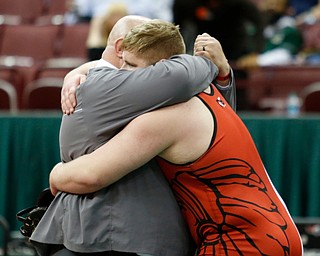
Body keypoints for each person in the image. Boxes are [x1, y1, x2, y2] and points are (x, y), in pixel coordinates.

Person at [49, 20, 303, 255]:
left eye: (132, 67)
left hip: (243, 237)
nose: (123, 75)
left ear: (163, 71)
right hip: (271, 228)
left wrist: (57, 173)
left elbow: (91, 175)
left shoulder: (167, 117)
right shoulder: (206, 91)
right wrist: (79, 71)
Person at [30, 17, 235, 256]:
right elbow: (182, 77)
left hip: (100, 235)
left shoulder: (110, 83)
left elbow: (213, 120)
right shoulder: (113, 85)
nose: (161, 72)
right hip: (116, 238)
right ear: (121, 47)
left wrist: (223, 77)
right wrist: (210, 62)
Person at [236, 0, 304, 69]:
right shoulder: (254, 26)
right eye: (268, 3)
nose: (271, 7)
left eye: (276, 4)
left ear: (287, 8)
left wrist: (259, 60)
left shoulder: (290, 28)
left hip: (279, 74)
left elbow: (286, 55)